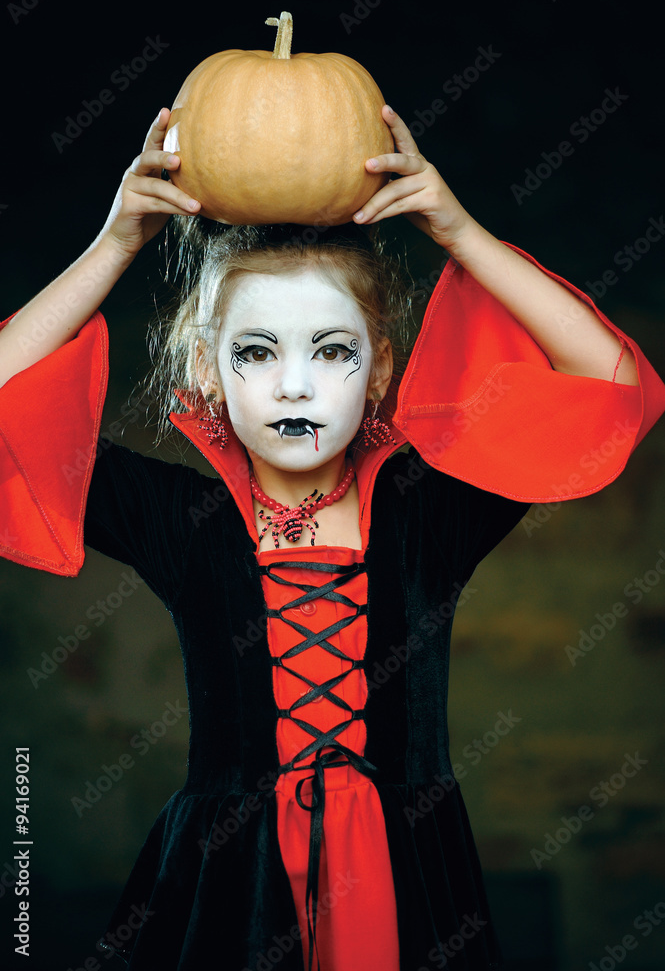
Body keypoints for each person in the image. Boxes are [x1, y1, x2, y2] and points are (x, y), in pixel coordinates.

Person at [1, 104, 663, 971]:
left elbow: (611, 385)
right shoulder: (180, 521)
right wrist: (117, 242)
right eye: (256, 353)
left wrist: (458, 232)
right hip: (225, 876)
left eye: (332, 352)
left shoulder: (433, 511)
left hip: (412, 871)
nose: (294, 387)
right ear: (208, 369)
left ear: (379, 366)